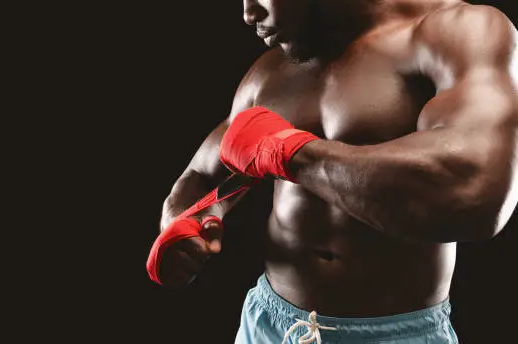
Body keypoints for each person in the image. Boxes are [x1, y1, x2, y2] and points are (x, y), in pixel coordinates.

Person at [146, 0, 518, 343]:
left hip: (393, 336)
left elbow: (474, 188)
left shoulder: (454, 34)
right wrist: (183, 223)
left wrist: (291, 153)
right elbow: (203, 177)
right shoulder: (270, 73)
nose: (249, 13)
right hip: (269, 327)